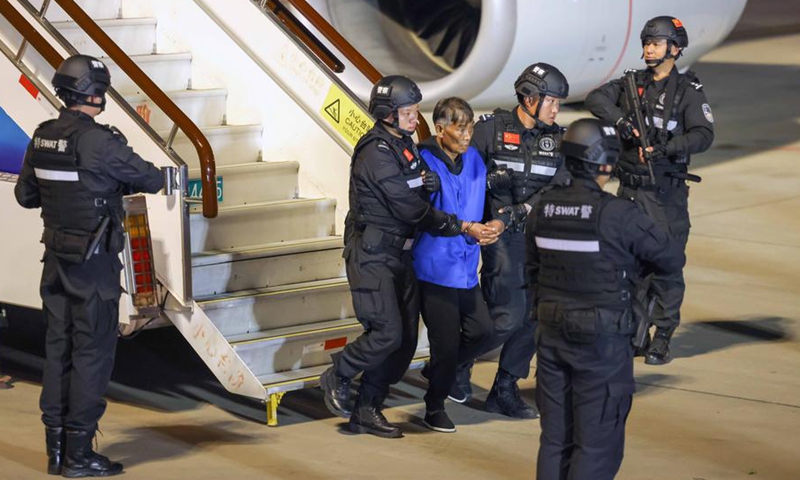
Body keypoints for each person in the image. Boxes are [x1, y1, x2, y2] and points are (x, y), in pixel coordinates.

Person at [319, 76, 497, 439]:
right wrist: (459, 225)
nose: (417, 118)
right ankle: (339, 371)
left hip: (400, 255)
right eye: (408, 112)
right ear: (388, 113)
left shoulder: (403, 144)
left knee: (404, 345)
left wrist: (426, 181)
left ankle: (367, 409)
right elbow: (408, 207)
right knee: (387, 333)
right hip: (373, 254)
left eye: (415, 111)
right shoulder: (375, 151)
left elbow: (416, 183)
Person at [15, 54, 164, 477]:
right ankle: (80, 455)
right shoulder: (100, 141)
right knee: (92, 354)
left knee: (58, 350)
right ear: (96, 94)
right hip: (93, 265)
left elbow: (26, 197)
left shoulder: (43, 136)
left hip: (56, 262)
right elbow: (151, 178)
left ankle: (56, 451)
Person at [527, 118, 685, 480]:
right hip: (601, 342)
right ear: (606, 161)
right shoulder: (618, 214)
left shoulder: (543, 209)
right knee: (596, 444)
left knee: (555, 440)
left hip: (550, 334)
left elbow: (531, 269)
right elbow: (671, 258)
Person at [585, 16, 714, 365]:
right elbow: (596, 99)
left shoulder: (687, 91)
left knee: (666, 265)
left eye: (655, 43)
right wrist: (623, 122)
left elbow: (704, 135)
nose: (648, 49)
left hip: (665, 193)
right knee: (629, 266)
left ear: (675, 48)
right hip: (629, 191)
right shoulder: (632, 84)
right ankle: (636, 334)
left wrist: (667, 148)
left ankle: (663, 336)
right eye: (646, 42)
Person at [465, 62, 570, 419]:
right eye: (552, 101)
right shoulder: (490, 131)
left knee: (534, 316)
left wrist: (522, 208)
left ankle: (504, 388)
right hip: (498, 236)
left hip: (538, 238)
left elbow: (560, 187)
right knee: (507, 317)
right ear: (529, 99)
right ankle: (452, 365)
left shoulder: (557, 140)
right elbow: (463, 178)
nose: (556, 110)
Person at [414, 97, 496, 433]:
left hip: (465, 268)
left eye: (470, 127)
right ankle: (434, 407)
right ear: (440, 129)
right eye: (460, 128)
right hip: (434, 268)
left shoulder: (474, 159)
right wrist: (465, 227)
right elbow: (420, 214)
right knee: (445, 345)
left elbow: (485, 203)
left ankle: (439, 370)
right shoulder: (423, 161)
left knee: (484, 332)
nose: (467, 135)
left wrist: (495, 225)